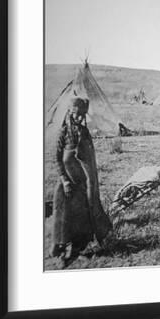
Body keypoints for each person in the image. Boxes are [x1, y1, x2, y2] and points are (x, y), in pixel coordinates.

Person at [52, 96, 112, 261]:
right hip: (67, 186)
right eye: (77, 114)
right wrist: (64, 180)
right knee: (64, 219)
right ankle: (62, 246)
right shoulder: (63, 133)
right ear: (70, 113)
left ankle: (78, 249)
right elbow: (57, 159)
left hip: (83, 186)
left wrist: (91, 185)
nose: (79, 118)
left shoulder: (85, 133)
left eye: (82, 115)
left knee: (82, 218)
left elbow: (90, 161)